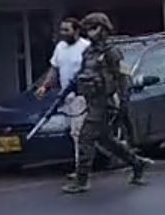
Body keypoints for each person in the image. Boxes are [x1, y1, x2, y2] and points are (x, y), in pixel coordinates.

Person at [63, 12, 151, 194]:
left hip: (105, 102)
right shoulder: (88, 52)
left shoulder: (112, 52)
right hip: (91, 100)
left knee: (86, 137)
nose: (89, 33)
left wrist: (124, 102)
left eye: (93, 28)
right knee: (106, 141)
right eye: (87, 29)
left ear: (103, 29)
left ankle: (81, 180)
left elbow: (122, 77)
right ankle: (137, 163)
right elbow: (81, 75)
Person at [36, 17, 90, 165]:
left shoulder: (86, 47)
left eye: (67, 30)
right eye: (62, 30)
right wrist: (45, 87)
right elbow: (54, 69)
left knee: (78, 131)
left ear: (77, 31)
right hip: (67, 97)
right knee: (74, 132)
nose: (63, 33)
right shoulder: (60, 47)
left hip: (82, 95)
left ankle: (81, 167)